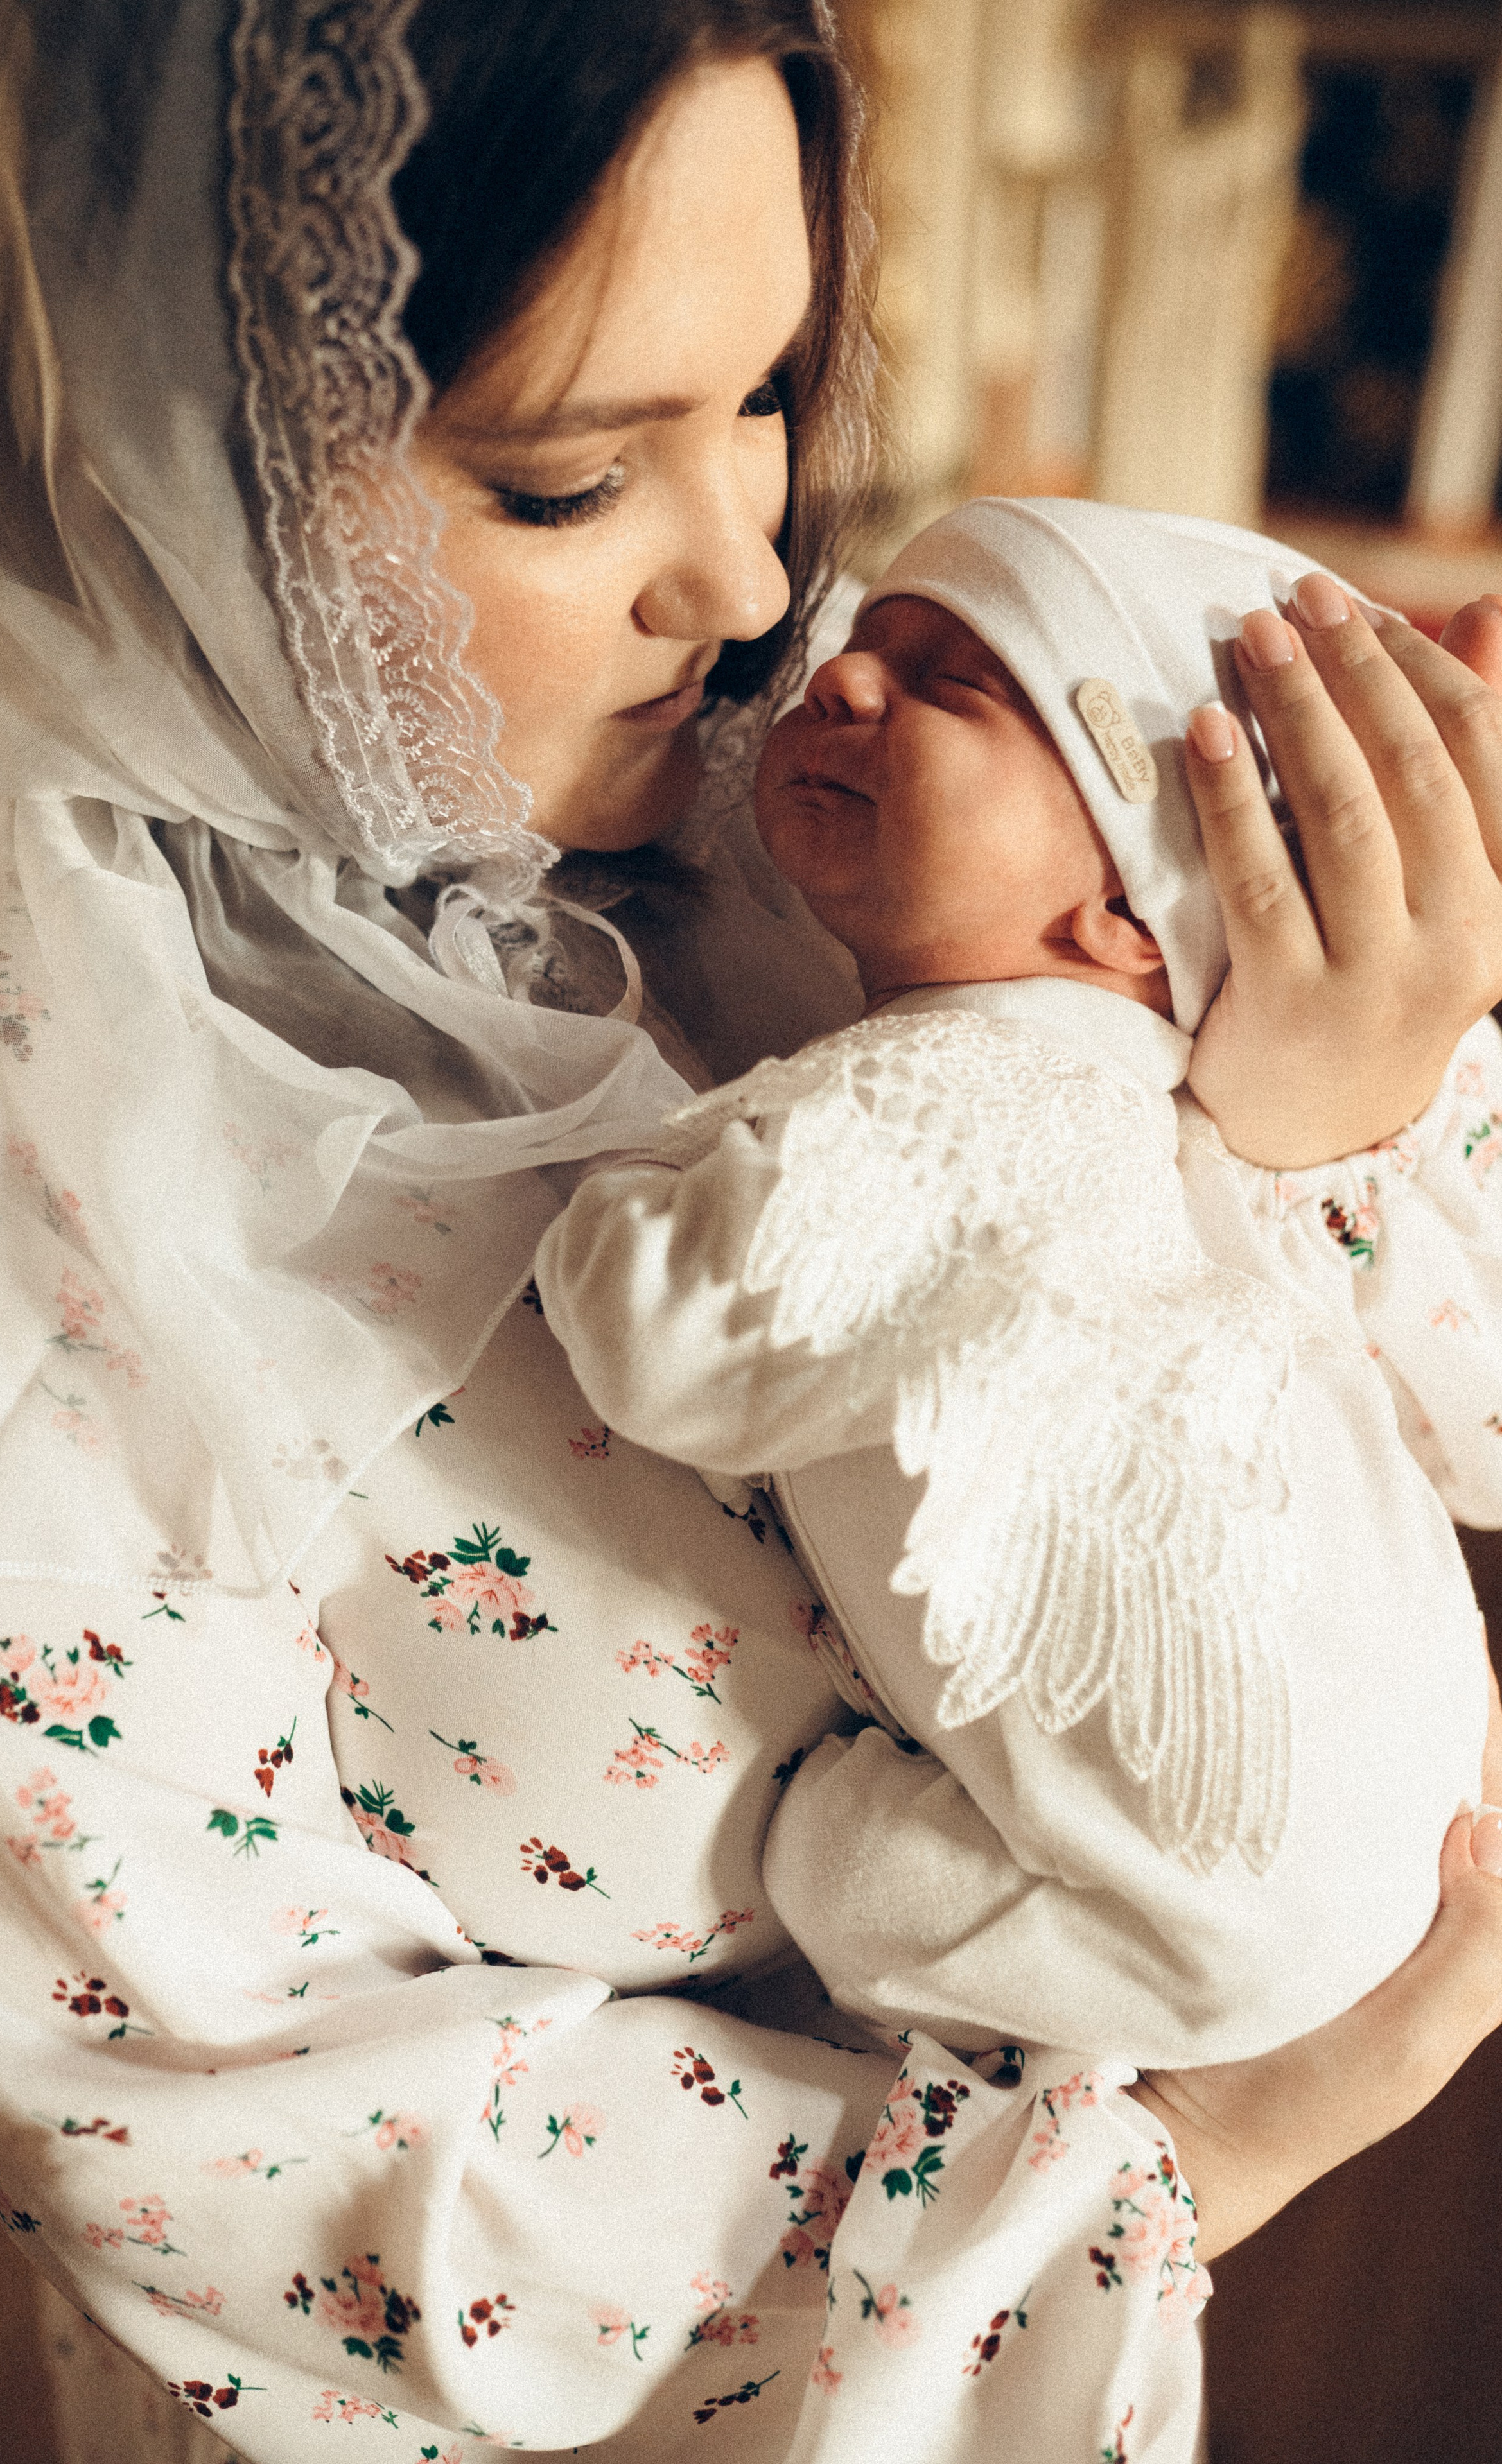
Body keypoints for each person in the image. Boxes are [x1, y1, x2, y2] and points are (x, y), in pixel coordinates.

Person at [0, 3, 1502, 2458]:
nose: (750, 583)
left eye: (765, 394)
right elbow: (300, 2169)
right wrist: (1204, 2155)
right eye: (562, 483)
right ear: (151, 442)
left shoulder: (768, 794)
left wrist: (1307, 1119)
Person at [537, 495, 1502, 2079]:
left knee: (822, 1866)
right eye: (862, 647)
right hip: (1396, 1823)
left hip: (1201, 1926)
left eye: (954, 689)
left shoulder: (949, 1095)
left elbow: (657, 1337)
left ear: (1131, 905)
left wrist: (619, 1174)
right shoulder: (1202, 1131)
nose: (834, 684)